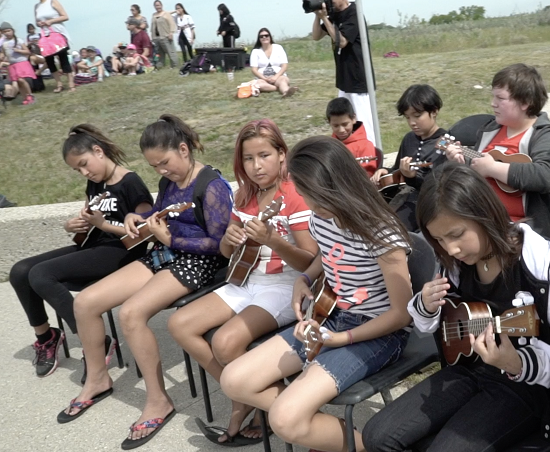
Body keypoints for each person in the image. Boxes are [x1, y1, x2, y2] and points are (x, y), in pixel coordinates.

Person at [361, 162, 550, 451]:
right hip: (467, 370)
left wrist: (517, 363)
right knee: (376, 436)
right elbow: (432, 323)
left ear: (484, 214)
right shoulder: (453, 262)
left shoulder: (541, 263)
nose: (450, 248)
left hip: (526, 387)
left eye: (456, 234)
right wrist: (426, 306)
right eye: (439, 239)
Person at [220, 136, 412, 451]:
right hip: (331, 317)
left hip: (379, 334)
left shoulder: (381, 231)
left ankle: (374, 446)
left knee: (284, 421)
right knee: (234, 381)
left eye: (312, 194)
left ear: (336, 186)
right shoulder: (322, 216)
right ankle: (323, 430)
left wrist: (341, 340)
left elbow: (401, 314)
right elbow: (328, 254)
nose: (308, 203)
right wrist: (305, 278)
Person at [58, 115, 233, 451]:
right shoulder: (170, 182)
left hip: (200, 262)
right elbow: (160, 213)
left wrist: (173, 239)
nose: (162, 172)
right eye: (155, 167)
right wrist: (136, 218)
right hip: (165, 252)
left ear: (184, 149)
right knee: (85, 302)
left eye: (165, 163)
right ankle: (97, 379)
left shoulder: (210, 186)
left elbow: (221, 244)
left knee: (130, 314)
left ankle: (158, 401)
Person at [170, 119, 318, 445]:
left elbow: (311, 264)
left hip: (286, 285)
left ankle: (245, 405)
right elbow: (226, 253)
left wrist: (275, 241)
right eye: (248, 159)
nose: (256, 166)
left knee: (224, 342)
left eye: (264, 155)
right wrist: (229, 238)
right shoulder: (244, 196)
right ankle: (247, 397)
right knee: (180, 323)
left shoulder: (295, 196)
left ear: (282, 154)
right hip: (246, 279)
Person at [9, 125, 153, 378]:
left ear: (98, 151)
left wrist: (104, 225)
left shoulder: (131, 183)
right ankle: (46, 337)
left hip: (122, 252)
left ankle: (95, 342)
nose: (85, 172)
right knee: (20, 271)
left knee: (41, 275)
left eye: (85, 164)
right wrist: (73, 224)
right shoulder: (94, 183)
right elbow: (90, 216)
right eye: (78, 170)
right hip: (94, 246)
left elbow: (144, 233)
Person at [443, 64, 550, 248]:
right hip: (481, 222)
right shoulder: (489, 131)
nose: (493, 103)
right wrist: (458, 163)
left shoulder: (544, 135)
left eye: (500, 98)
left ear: (525, 102)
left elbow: (548, 175)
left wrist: (494, 168)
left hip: (525, 231)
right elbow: (475, 169)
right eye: (493, 96)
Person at [370, 84, 448, 232]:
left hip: (428, 203)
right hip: (404, 196)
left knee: (391, 230)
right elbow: (396, 170)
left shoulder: (445, 142)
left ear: (434, 111)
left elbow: (439, 186)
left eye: (417, 116)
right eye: (407, 117)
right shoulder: (409, 138)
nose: (412, 122)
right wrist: (385, 172)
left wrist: (412, 178)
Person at [311, 0, 376, 145]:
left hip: (359, 78)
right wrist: (317, 15)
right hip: (344, 80)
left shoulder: (354, 12)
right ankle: (350, 154)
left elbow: (342, 41)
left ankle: (374, 156)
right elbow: (316, 36)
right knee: (343, 120)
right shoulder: (334, 14)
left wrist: (324, 19)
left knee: (364, 123)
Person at [326, 97, 377, 176]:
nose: (341, 130)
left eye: (345, 124)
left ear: (353, 119)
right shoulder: (328, 145)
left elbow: (367, 176)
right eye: (336, 126)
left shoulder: (365, 146)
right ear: (329, 122)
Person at [35, 0, 74, 93]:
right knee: (49, 61)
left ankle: (71, 85)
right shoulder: (37, 6)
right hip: (45, 36)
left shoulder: (53, 2)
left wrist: (51, 21)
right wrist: (39, 24)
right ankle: (59, 84)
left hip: (57, 33)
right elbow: (36, 22)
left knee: (63, 58)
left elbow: (65, 16)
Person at [249, 27, 299, 97]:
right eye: (261, 36)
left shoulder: (278, 48)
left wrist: (275, 77)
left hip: (278, 76)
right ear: (259, 39)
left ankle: (286, 92)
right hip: (263, 79)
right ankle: (276, 88)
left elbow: (284, 65)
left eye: (266, 35)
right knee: (259, 85)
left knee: (283, 81)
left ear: (270, 37)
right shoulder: (255, 51)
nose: (264, 37)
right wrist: (264, 78)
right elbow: (254, 69)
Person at [0, 22, 37, 105]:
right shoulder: (3, 43)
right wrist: (2, 56)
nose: (7, 33)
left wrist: (18, 50)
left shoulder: (19, 40)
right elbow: (3, 53)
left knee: (21, 79)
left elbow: (27, 51)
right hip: (12, 64)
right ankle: (25, 98)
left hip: (21, 63)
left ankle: (30, 95)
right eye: (4, 31)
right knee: (17, 81)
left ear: (12, 30)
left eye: (8, 31)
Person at [151, 0, 178, 69]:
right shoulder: (154, 15)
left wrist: (171, 32)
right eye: (156, 5)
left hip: (165, 36)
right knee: (158, 54)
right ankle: (159, 66)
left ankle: (174, 65)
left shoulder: (166, 14)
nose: (157, 7)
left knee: (170, 51)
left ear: (161, 5)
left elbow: (172, 23)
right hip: (156, 37)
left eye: (158, 5)